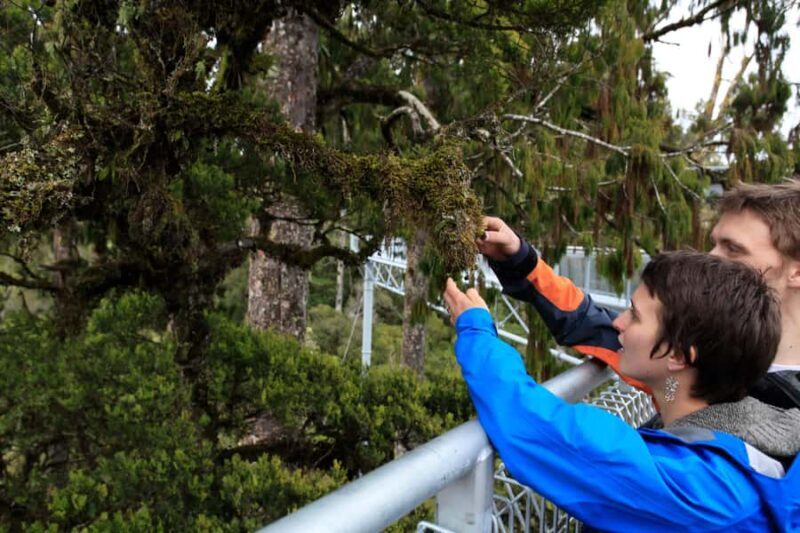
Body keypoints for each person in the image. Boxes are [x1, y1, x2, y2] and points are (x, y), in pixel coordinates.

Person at [444, 251, 800, 531]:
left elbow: (535, 428)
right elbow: (604, 338)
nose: (618, 322)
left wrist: (475, 328)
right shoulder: (749, 421)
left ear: (677, 356)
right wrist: (522, 260)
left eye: (634, 314)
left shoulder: (697, 489)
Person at [478, 179, 800, 408]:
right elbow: (595, 329)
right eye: (714, 242)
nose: (710, 257)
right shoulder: (686, 366)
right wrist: (520, 259)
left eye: (733, 249)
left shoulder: (778, 405)